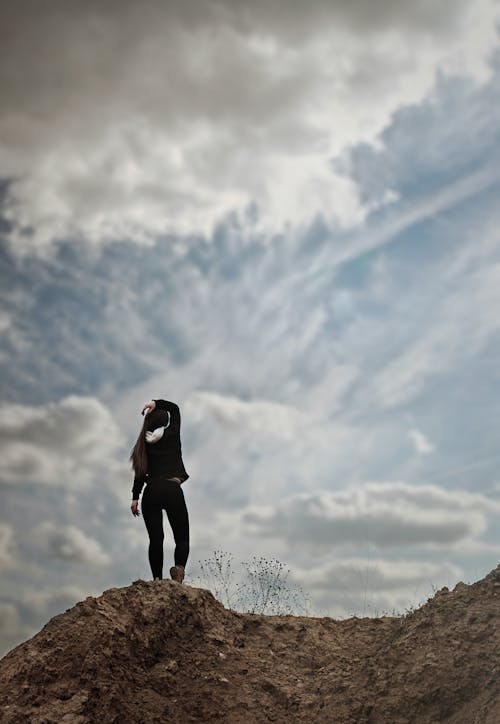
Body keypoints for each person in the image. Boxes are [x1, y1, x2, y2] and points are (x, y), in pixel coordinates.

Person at [130, 398, 190, 583]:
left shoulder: (143, 444)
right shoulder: (172, 433)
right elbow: (176, 409)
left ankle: (157, 579)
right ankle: (179, 569)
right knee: (182, 537)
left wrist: (135, 498)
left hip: (151, 492)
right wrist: (156, 402)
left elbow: (140, 473)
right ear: (165, 421)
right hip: (172, 489)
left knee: (156, 539)